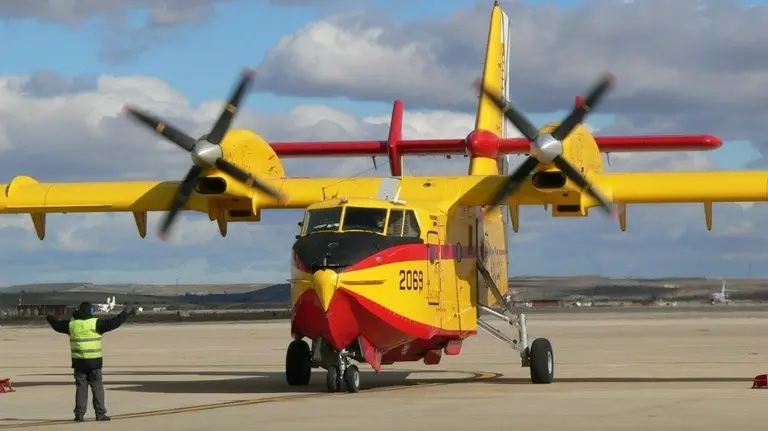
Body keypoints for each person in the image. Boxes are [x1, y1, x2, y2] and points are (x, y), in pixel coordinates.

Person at [46, 301, 135, 422]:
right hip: (94, 362)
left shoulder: (72, 325)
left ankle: (79, 415)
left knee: (81, 388)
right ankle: (100, 414)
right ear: (91, 311)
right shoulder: (96, 323)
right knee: (97, 387)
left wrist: (49, 317)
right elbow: (114, 322)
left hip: (79, 363)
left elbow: (57, 325)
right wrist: (125, 313)